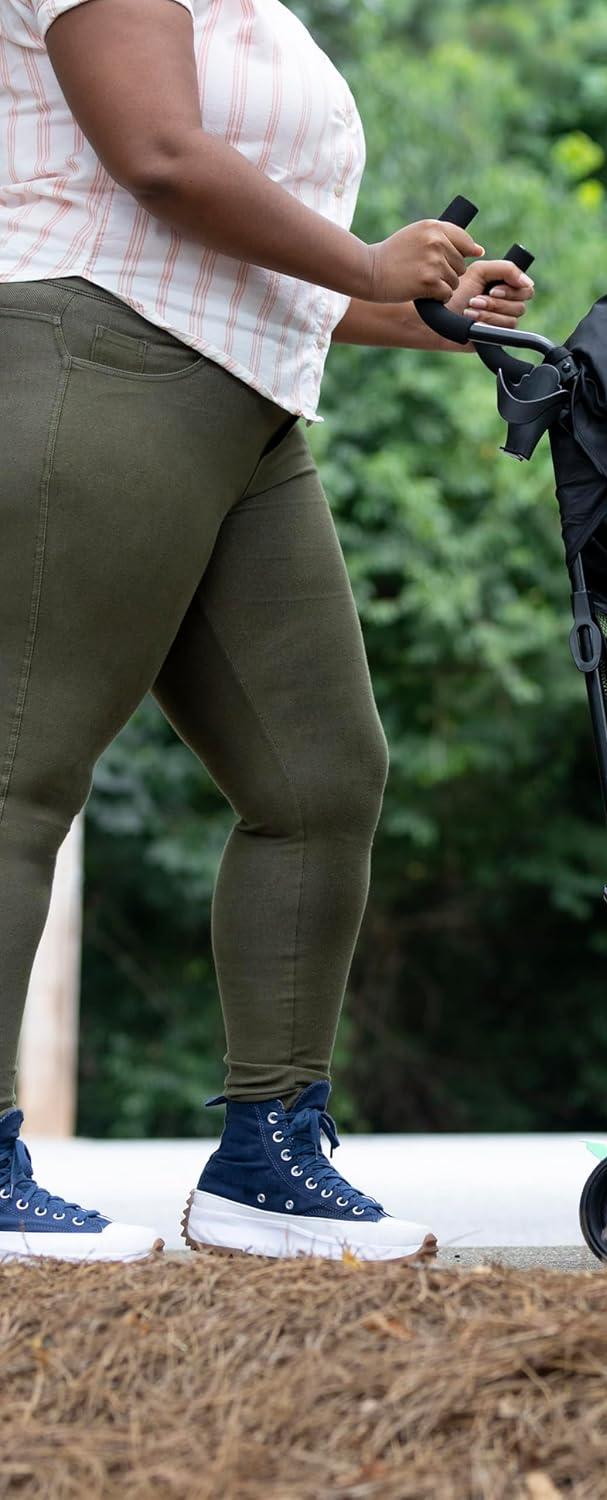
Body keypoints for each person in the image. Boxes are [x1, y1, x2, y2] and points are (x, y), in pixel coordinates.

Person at [0, 0, 532, 1262]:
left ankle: (266, 1161)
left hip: (243, 402)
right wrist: (361, 260)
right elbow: (161, 159)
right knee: (20, 772)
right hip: (92, 352)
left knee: (320, 775)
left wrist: (407, 306)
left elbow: (230, 240)